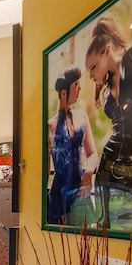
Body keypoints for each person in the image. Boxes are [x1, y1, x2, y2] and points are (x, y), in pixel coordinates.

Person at [85, 16, 132, 228]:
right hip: (111, 173)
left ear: (106, 51)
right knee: (114, 231)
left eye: (93, 67)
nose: (92, 75)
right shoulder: (105, 90)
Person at [46, 67, 99, 225]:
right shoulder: (50, 125)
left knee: (84, 240)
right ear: (63, 93)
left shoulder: (81, 115)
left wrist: (88, 173)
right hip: (59, 191)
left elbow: (93, 154)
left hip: (80, 187)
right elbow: (44, 167)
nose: (80, 88)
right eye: (76, 84)